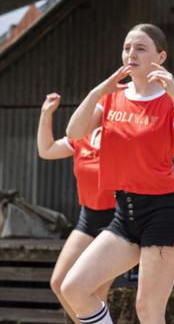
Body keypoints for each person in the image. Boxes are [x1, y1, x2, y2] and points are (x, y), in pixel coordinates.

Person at [60, 23, 174, 324]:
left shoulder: (170, 100)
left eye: (140, 48)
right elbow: (74, 132)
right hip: (125, 214)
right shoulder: (112, 98)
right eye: (127, 47)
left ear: (160, 57)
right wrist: (98, 91)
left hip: (164, 214)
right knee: (73, 288)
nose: (131, 53)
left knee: (148, 310)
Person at [37, 93, 116, 324]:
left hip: (116, 221)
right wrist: (46, 114)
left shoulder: (121, 137)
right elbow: (47, 150)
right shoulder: (82, 136)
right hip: (89, 217)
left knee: (94, 294)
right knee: (59, 284)